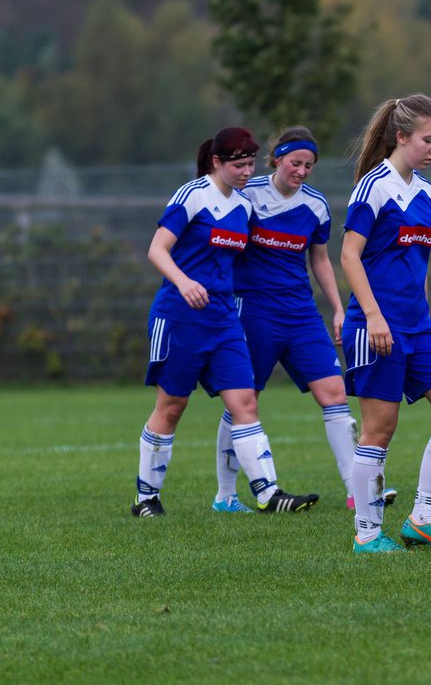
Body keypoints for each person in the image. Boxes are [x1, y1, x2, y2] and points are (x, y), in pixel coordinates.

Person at [133, 127, 319, 517]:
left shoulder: (244, 207)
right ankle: (146, 498)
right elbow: (157, 249)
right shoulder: (193, 195)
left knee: (245, 401)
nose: (246, 171)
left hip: (224, 320)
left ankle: (268, 493)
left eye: (251, 164)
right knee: (172, 406)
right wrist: (184, 282)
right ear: (217, 162)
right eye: (238, 164)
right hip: (180, 316)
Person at [209, 126, 380, 513]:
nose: (302, 171)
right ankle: (226, 495)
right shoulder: (246, 195)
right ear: (277, 160)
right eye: (295, 163)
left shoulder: (316, 205)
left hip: (301, 315)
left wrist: (338, 307)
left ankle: (356, 491)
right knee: (243, 399)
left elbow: (319, 258)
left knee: (335, 394)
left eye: (309, 165)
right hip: (253, 311)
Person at [342, 95, 431, 553]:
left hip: (419, 327)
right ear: (401, 137)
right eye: (428, 139)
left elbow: (417, 264)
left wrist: (424, 314)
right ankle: (367, 534)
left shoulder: (427, 192)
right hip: (375, 327)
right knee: (380, 430)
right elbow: (349, 255)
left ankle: (422, 520)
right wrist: (375, 316)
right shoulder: (372, 187)